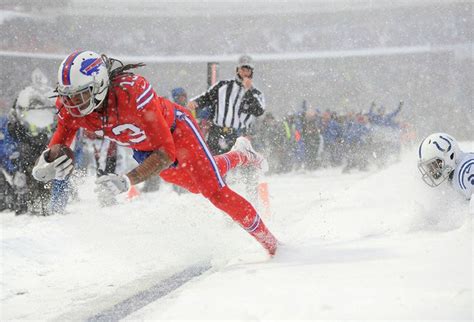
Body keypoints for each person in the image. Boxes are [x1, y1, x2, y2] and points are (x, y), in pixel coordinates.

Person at [31, 50, 278, 255]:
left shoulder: (131, 91)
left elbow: (165, 153)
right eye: (68, 96)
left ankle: (272, 245)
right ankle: (241, 153)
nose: (73, 104)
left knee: (213, 190)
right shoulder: (71, 107)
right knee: (196, 184)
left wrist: (126, 180)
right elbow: (58, 142)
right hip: (144, 149)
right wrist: (45, 162)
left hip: (176, 133)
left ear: (99, 86)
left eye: (80, 95)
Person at [187, 55, 265, 155]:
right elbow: (206, 97)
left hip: (239, 135)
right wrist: (195, 102)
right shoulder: (222, 86)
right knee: (214, 161)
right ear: (237, 70)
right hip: (218, 132)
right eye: (243, 69)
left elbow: (259, 111)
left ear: (251, 72)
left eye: (248, 70)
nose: (245, 73)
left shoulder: (256, 93)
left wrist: (248, 91)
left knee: (237, 165)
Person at [418, 132, 473, 202]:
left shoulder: (467, 170)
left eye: (434, 164)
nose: (432, 171)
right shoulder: (453, 174)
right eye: (429, 167)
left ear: (450, 155)